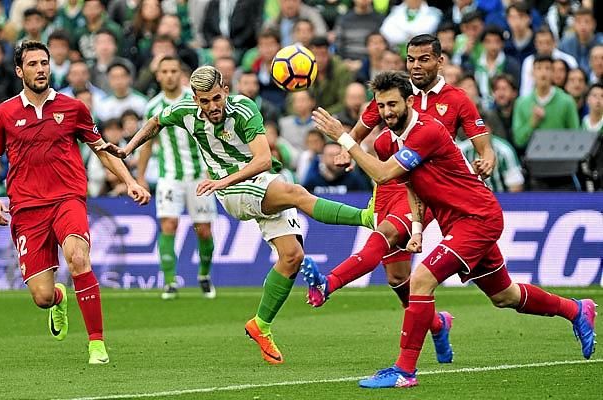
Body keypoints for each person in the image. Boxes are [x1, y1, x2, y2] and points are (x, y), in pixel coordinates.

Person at [311, 71, 597, 388]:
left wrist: (344, 137)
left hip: (477, 218)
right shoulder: (391, 140)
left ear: (409, 101)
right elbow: (411, 186)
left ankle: (404, 371)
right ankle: (576, 310)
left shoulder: (426, 131)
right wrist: (417, 228)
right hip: (459, 221)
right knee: (504, 295)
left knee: (421, 280)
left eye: (392, 104)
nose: (387, 112)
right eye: (381, 106)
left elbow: (382, 174)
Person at [98, 65, 374, 365]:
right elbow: (155, 121)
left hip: (251, 178)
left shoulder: (244, 109)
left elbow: (264, 159)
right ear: (195, 99)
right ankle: (368, 217)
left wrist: (222, 180)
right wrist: (128, 149)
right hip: (232, 193)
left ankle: (261, 325)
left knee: (292, 257)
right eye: (205, 101)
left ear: (226, 91)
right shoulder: (185, 110)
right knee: (296, 193)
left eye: (217, 98)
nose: (212, 106)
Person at [0, 41, 151, 365]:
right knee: (42, 297)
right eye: (32, 64)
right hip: (27, 209)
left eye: (44, 63)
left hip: (67, 199)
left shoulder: (73, 108)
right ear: (19, 71)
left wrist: (130, 181)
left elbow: (101, 150)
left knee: (78, 258)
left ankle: (96, 344)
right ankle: (59, 297)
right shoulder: (3, 114)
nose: (40, 69)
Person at [305, 34, 495, 326]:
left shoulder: (456, 99)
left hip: (425, 185)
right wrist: (346, 149)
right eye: (411, 59)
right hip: (390, 182)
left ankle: (328, 283)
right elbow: (363, 126)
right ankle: (437, 324)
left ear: (440, 61)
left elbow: (483, 144)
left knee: (386, 234)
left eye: (423, 59)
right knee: (396, 276)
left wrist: (487, 158)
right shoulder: (393, 92)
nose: (416, 65)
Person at [136, 56, 217, 300]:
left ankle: (204, 275)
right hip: (169, 176)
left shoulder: (196, 100)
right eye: (165, 71)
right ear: (158, 75)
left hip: (200, 175)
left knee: (204, 230)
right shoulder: (152, 107)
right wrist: (140, 176)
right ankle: (170, 282)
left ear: (180, 74)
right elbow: (147, 144)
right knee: (169, 224)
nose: (169, 75)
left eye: (174, 70)